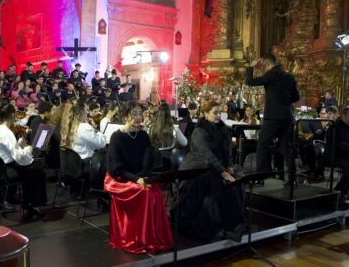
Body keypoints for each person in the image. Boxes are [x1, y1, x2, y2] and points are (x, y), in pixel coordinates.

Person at [104, 101, 173, 254]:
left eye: (140, 114)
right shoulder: (117, 137)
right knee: (144, 192)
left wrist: (144, 178)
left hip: (140, 177)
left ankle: (152, 237)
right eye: (134, 114)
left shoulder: (143, 135)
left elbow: (147, 162)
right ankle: (136, 238)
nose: (138, 117)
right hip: (121, 179)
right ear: (125, 116)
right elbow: (116, 167)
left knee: (154, 190)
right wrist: (136, 179)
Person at [172, 101, 245, 241]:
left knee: (236, 183)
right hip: (198, 167)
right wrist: (222, 171)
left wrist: (228, 166)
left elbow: (228, 150)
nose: (218, 116)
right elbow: (206, 154)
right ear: (205, 114)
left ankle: (233, 225)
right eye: (215, 113)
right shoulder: (199, 131)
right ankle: (213, 227)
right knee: (214, 185)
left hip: (218, 166)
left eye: (219, 113)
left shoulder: (223, 129)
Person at [245, 53, 300, 181]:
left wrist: (251, 67)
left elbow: (250, 81)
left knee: (262, 144)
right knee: (286, 146)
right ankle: (292, 178)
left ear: (267, 63)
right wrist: (284, 102)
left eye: (262, 64)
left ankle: (261, 175)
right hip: (286, 116)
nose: (262, 67)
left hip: (273, 116)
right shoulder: (289, 77)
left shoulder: (272, 74)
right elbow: (296, 97)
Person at [0, 102, 47, 221]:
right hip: (8, 170)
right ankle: (35, 206)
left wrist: (19, 143)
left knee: (32, 170)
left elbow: (10, 150)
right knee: (37, 173)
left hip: (1, 168)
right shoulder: (6, 133)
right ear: (13, 115)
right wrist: (29, 148)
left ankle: (29, 202)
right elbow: (18, 156)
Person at [60, 104, 106, 197]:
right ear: (81, 113)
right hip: (83, 165)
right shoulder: (84, 127)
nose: (88, 113)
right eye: (86, 110)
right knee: (106, 159)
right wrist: (97, 131)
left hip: (70, 165)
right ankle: (102, 192)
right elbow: (101, 144)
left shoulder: (67, 125)